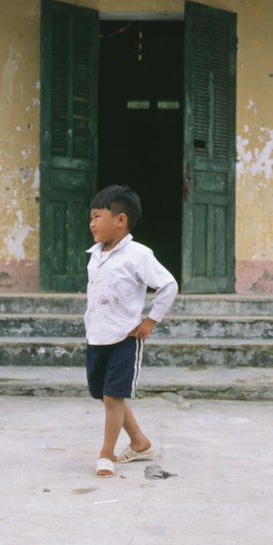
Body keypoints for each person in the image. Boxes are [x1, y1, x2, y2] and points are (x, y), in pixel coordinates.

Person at [84, 185, 178, 477]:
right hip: (96, 336)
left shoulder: (138, 254)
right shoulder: (95, 254)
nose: (91, 223)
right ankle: (139, 442)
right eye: (91, 217)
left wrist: (151, 320)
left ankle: (106, 454)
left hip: (125, 337)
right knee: (106, 394)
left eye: (97, 216)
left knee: (113, 396)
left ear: (120, 220)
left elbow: (168, 285)